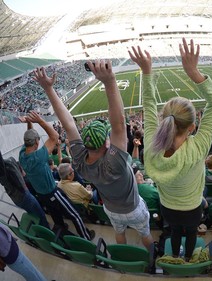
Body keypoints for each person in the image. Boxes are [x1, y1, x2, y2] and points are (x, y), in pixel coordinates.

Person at [33, 62, 154, 250]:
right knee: (145, 234)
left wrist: (48, 89)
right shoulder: (115, 162)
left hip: (111, 210)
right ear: (106, 142)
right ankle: (151, 258)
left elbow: (69, 124)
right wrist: (110, 81)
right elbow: (119, 124)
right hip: (132, 208)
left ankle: (123, 256)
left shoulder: (80, 162)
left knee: (119, 233)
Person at [128, 38, 212, 261]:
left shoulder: (151, 146)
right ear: (191, 127)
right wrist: (194, 72)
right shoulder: (197, 148)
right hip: (192, 207)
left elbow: (148, 103)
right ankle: (188, 257)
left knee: (175, 232)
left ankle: (177, 253)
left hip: (167, 206)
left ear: (163, 121)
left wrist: (146, 71)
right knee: (190, 233)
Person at [18, 111, 93, 240]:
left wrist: (29, 122)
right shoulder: (39, 157)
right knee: (74, 214)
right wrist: (40, 121)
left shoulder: (22, 155)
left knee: (55, 215)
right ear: (36, 143)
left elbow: (29, 138)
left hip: (41, 195)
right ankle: (86, 237)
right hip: (52, 192)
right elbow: (55, 136)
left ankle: (61, 229)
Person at [0, 151, 49, 229]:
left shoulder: (9, 163)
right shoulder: (5, 169)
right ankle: (47, 232)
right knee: (40, 214)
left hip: (17, 199)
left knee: (32, 213)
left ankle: (40, 229)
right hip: (24, 196)